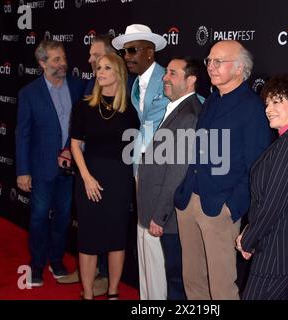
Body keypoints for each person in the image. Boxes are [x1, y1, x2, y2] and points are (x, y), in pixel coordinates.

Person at [174, 40, 272, 300]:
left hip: (219, 209)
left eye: (219, 61)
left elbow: (256, 167)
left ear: (240, 69)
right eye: (209, 61)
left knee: (222, 288)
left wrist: (231, 208)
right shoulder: (212, 101)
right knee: (192, 280)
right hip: (189, 201)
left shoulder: (253, 108)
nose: (211, 67)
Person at [236, 74, 288, 300]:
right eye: (267, 103)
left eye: (277, 101)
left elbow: (274, 203)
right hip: (280, 251)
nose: (268, 109)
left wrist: (248, 239)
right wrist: (250, 232)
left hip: (279, 254)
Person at [16, 40, 85, 287]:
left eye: (64, 58)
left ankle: (56, 260)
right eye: (56, 59)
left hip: (70, 168)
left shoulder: (78, 87)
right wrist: (23, 171)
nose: (63, 63)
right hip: (42, 167)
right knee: (38, 217)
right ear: (42, 63)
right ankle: (36, 264)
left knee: (64, 218)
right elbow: (22, 133)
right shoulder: (29, 93)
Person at [70, 52, 139, 300]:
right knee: (88, 238)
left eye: (106, 68)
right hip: (89, 176)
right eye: (98, 68)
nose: (100, 72)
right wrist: (86, 178)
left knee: (116, 238)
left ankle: (112, 292)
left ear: (119, 72)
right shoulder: (83, 107)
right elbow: (75, 145)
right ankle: (87, 293)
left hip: (119, 179)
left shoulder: (131, 110)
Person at [137, 57, 203, 300]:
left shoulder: (189, 115)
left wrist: (160, 215)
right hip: (162, 212)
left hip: (170, 218)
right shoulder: (178, 108)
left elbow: (178, 172)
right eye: (166, 72)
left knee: (176, 282)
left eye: (172, 74)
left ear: (191, 80)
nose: (165, 78)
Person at [112, 23, 170, 300]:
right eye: (125, 52)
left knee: (155, 241)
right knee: (142, 237)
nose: (127, 57)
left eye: (132, 51)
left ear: (150, 52)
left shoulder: (168, 79)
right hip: (139, 166)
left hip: (161, 169)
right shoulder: (135, 83)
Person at [57, 34, 115, 297]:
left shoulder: (120, 87)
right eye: (91, 56)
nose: (90, 59)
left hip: (108, 169)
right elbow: (78, 128)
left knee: (106, 225)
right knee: (87, 224)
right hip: (84, 167)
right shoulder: (89, 84)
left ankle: (102, 275)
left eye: (96, 55)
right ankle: (87, 272)